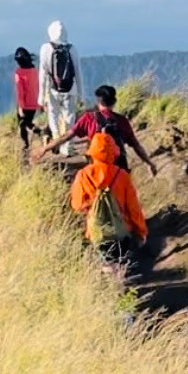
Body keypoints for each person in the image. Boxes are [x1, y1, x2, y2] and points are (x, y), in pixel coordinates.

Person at [69, 130, 150, 279]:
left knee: (106, 263)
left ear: (92, 152)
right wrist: (141, 231)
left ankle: (112, 291)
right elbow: (133, 208)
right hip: (122, 229)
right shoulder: (122, 175)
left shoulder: (83, 175)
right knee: (121, 262)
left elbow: (77, 205)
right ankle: (121, 286)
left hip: (97, 231)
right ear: (114, 152)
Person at [37, 84, 157, 177]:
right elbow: (136, 146)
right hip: (119, 171)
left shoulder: (89, 118)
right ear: (114, 102)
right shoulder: (122, 121)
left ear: (98, 101)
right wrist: (149, 163)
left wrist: (45, 148)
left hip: (96, 169)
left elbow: (66, 136)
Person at [38, 20, 85, 139]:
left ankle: (56, 137)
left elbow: (42, 74)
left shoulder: (45, 48)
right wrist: (81, 95)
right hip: (70, 88)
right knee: (69, 116)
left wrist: (41, 97)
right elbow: (78, 72)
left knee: (53, 114)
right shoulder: (72, 49)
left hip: (53, 88)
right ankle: (68, 145)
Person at [13, 47, 40, 153]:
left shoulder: (19, 72)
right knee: (27, 122)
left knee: (22, 125)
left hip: (24, 104)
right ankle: (37, 132)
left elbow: (20, 91)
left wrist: (20, 107)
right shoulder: (34, 71)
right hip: (34, 102)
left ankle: (25, 144)